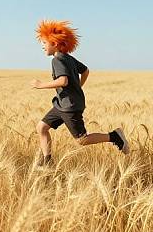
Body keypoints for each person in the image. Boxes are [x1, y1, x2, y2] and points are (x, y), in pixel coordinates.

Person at [31, 20, 129, 166]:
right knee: (42, 127)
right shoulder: (68, 58)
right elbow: (85, 70)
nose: (42, 46)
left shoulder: (57, 60)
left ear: (55, 43)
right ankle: (48, 161)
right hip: (61, 104)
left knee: (82, 140)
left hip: (69, 106)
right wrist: (78, 87)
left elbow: (63, 81)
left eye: (44, 42)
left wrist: (41, 85)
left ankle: (114, 136)